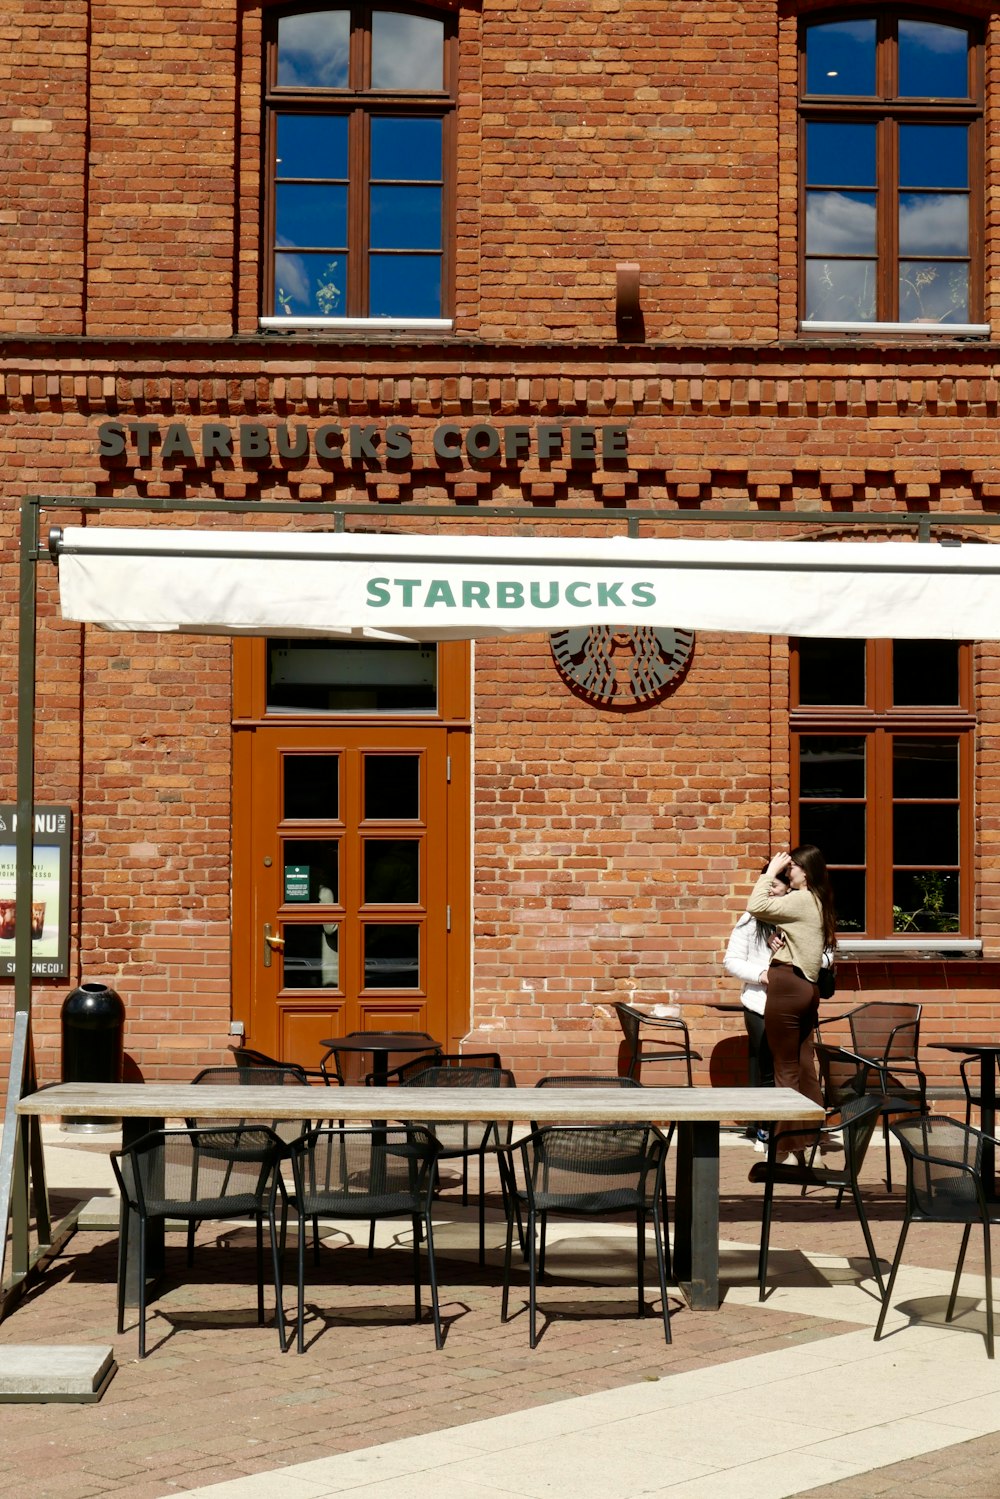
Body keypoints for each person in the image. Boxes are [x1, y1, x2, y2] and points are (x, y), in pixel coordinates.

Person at [747, 844, 836, 1162]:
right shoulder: (817, 901)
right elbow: (802, 938)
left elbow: (755, 906)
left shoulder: (800, 898)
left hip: (786, 988)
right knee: (802, 1065)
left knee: (784, 1070)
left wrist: (769, 873)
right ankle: (812, 1135)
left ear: (807, 871)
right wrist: (779, 941)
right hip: (806, 989)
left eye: (793, 867)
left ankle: (785, 1146)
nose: (788, 872)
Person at [723, 866, 790, 1149]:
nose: (772, 891)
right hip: (759, 1003)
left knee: (789, 1068)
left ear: (789, 888)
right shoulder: (751, 920)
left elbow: (825, 955)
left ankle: (789, 1129)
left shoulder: (799, 916)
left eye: (777, 886)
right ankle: (764, 1129)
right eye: (768, 885)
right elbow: (732, 960)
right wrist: (762, 974)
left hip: (792, 1003)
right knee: (765, 1067)